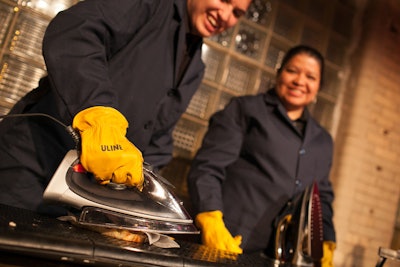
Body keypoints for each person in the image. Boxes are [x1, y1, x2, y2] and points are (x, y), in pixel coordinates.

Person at [0, 0, 251, 215]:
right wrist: (97, 111)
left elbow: (159, 134)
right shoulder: (149, 5)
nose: (225, 16)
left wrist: (144, 196)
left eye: (237, 13)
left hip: (87, 192)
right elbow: (75, 32)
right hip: (33, 162)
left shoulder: (196, 67)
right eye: (224, 0)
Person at [187, 45, 336, 266]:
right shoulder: (245, 110)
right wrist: (209, 217)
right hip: (228, 243)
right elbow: (207, 167)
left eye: (310, 77)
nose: (299, 81)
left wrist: (326, 239)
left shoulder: (322, 141)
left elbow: (321, 196)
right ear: (279, 73)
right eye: (292, 71)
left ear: (318, 87)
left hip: (281, 256)